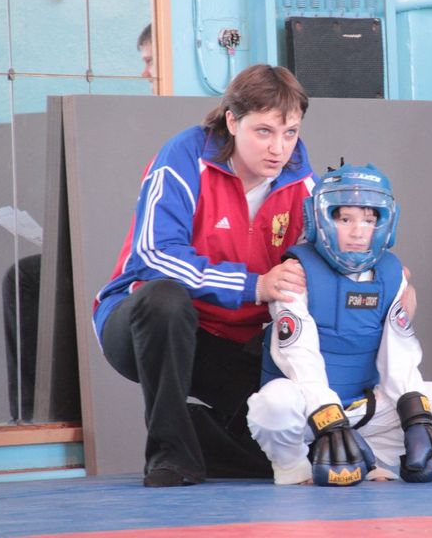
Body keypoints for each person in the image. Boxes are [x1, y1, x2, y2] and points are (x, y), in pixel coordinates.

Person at [94, 63, 320, 487]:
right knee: (165, 298)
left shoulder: (302, 182)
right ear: (232, 121)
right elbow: (153, 255)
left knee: (297, 447)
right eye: (264, 132)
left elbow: (328, 263)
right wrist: (253, 285)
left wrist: (389, 281)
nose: (279, 148)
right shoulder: (184, 155)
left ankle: (197, 434)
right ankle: (172, 457)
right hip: (148, 324)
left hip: (235, 342)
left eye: (290, 133)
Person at [246, 163, 432, 486]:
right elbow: (300, 356)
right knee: (272, 405)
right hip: (308, 413)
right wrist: (328, 419)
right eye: (345, 219)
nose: (358, 232)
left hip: (363, 409)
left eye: (369, 220)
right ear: (320, 220)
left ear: (385, 224)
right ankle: (295, 467)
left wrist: (416, 418)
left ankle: (373, 458)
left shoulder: (390, 274)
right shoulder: (297, 270)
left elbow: (399, 355)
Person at [2, 23, 155, 422]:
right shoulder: (127, 121)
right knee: (26, 277)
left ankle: (65, 417)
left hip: (143, 265)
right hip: (112, 248)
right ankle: (33, 416)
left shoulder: (180, 136)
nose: (145, 73)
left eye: (151, 62)